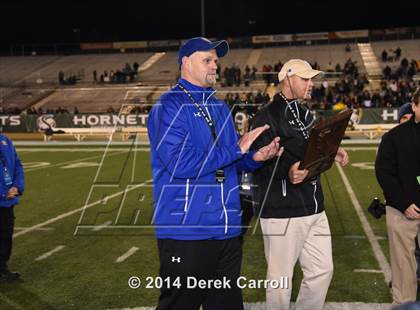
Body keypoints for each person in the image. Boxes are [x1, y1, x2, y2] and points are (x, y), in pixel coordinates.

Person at [147, 37, 283, 310]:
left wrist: (255, 158)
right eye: (207, 60)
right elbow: (180, 164)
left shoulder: (218, 106)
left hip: (227, 230)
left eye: (216, 61)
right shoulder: (169, 105)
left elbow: (230, 161)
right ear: (185, 62)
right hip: (187, 232)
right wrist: (236, 150)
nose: (214, 66)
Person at [251, 59, 349, 310]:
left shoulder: (305, 112)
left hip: (313, 205)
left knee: (322, 271)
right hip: (282, 210)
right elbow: (255, 161)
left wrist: (331, 151)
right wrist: (286, 172)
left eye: (312, 79)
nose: (311, 84)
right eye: (305, 79)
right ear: (287, 79)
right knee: (280, 281)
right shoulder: (267, 116)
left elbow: (310, 147)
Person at [375, 87, 420, 305]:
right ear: (415, 106)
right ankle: (404, 305)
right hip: (402, 211)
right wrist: (404, 203)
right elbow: (384, 173)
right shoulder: (393, 138)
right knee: (403, 265)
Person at [0, 134, 24, 281]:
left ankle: (2, 268)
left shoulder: (5, 140)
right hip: (4, 197)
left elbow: (18, 165)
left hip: (8, 201)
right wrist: (2, 193)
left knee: (5, 235)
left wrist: (17, 187)